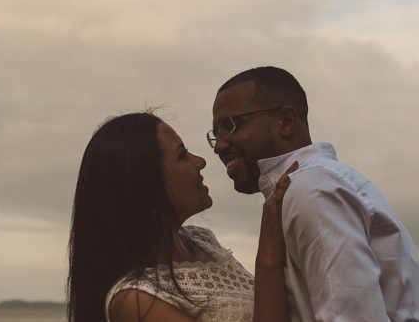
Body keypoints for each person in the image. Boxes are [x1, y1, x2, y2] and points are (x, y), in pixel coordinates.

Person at [209, 67, 419, 322]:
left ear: (285, 121)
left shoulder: (311, 190)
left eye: (230, 125)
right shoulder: (311, 186)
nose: (219, 146)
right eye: (215, 132)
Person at [67, 111, 296, 322]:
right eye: (183, 155)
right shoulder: (135, 300)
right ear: (147, 186)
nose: (200, 161)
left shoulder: (203, 242)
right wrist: (270, 244)